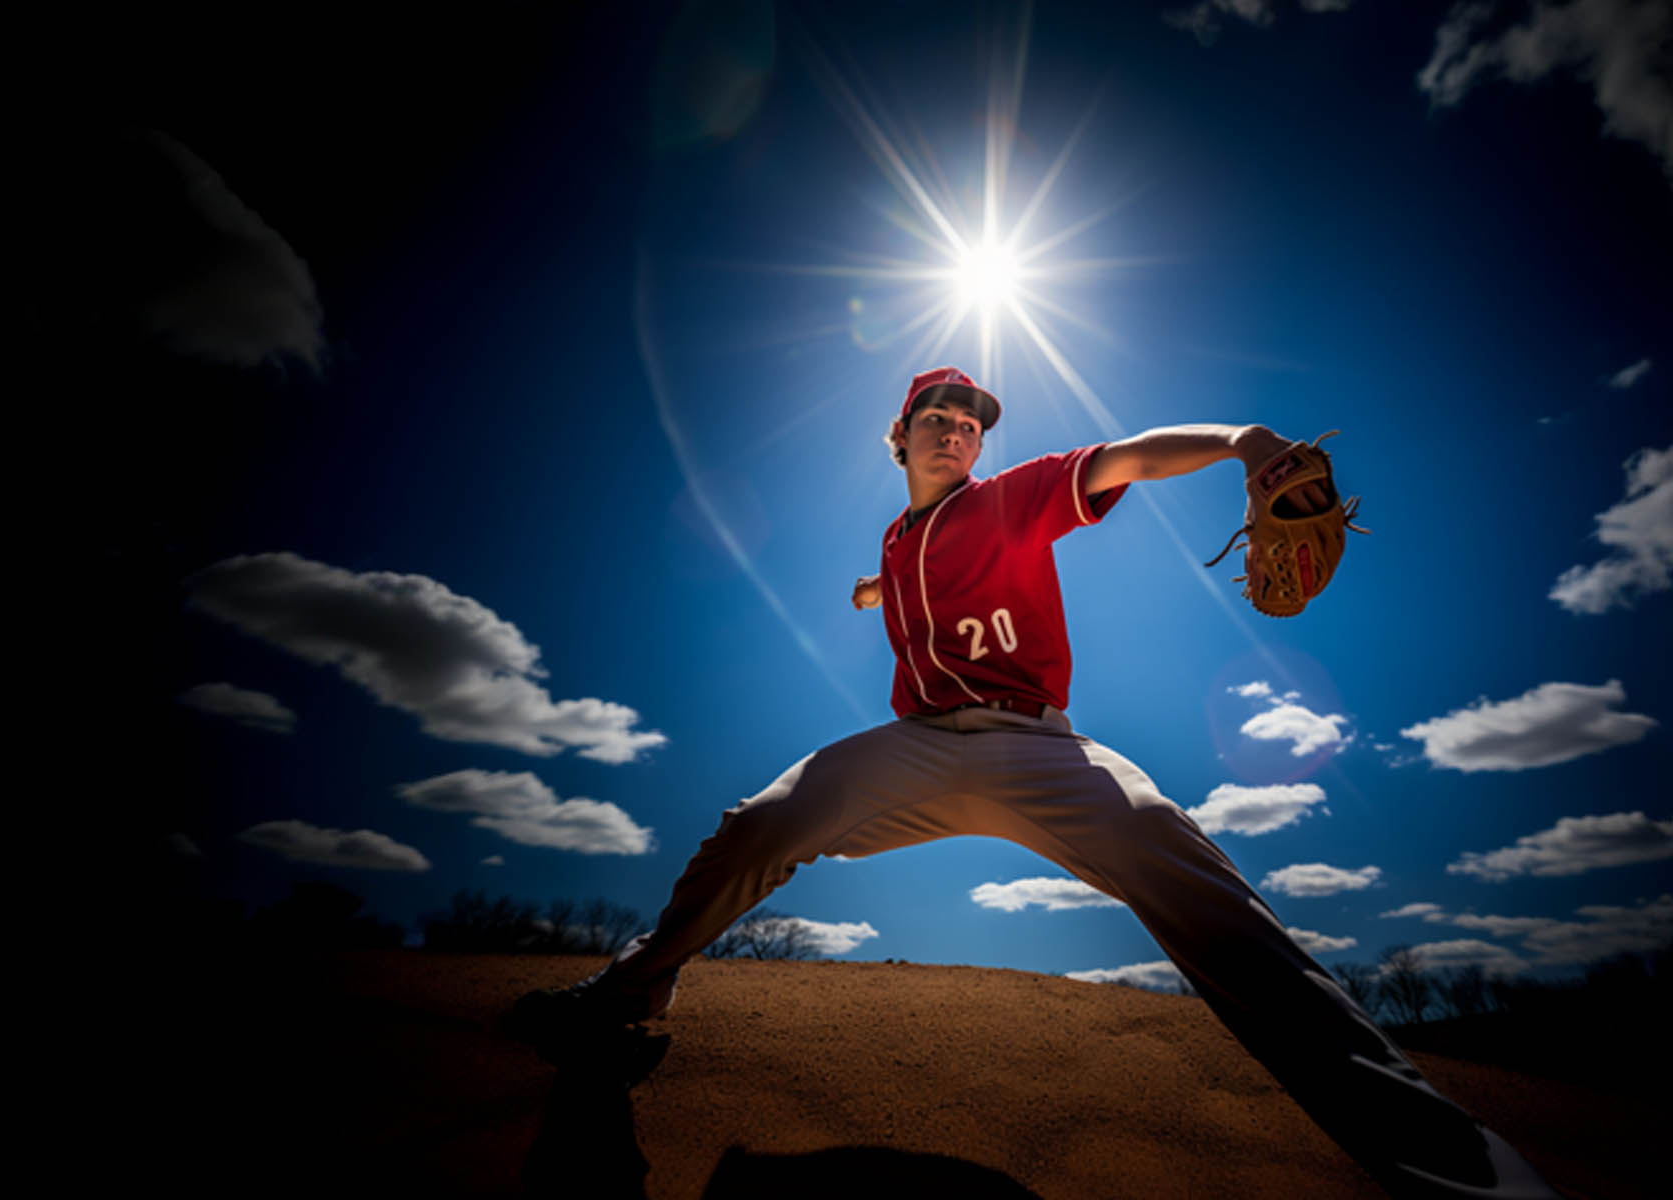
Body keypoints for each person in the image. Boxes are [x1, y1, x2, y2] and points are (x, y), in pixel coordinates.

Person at [509, 367, 1563, 1198]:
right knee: (759, 824)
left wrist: (1245, 441)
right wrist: (881, 584)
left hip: (1038, 748)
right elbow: (912, 564)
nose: (957, 426)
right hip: (918, 749)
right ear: (900, 436)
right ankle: (631, 991)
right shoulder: (896, 534)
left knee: (1185, 866)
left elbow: (1129, 459)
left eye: (970, 417)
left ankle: (1466, 1174)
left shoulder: (1011, 496)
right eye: (936, 412)